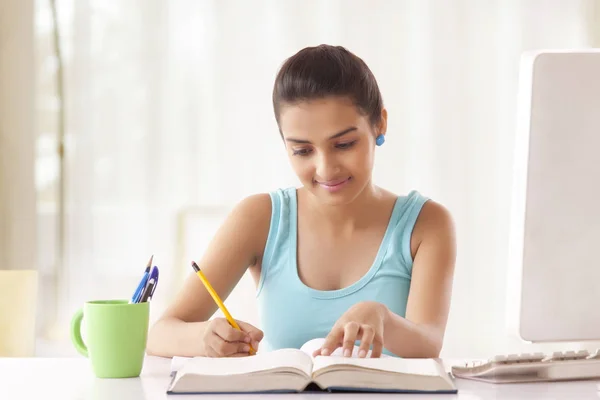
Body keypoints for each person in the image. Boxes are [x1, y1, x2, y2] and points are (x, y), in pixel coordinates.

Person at [146, 44, 456, 359]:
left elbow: (429, 342)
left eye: (344, 144)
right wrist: (205, 338)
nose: (326, 168)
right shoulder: (259, 218)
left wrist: (384, 318)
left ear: (380, 124)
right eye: (303, 150)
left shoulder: (426, 224)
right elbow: (160, 334)